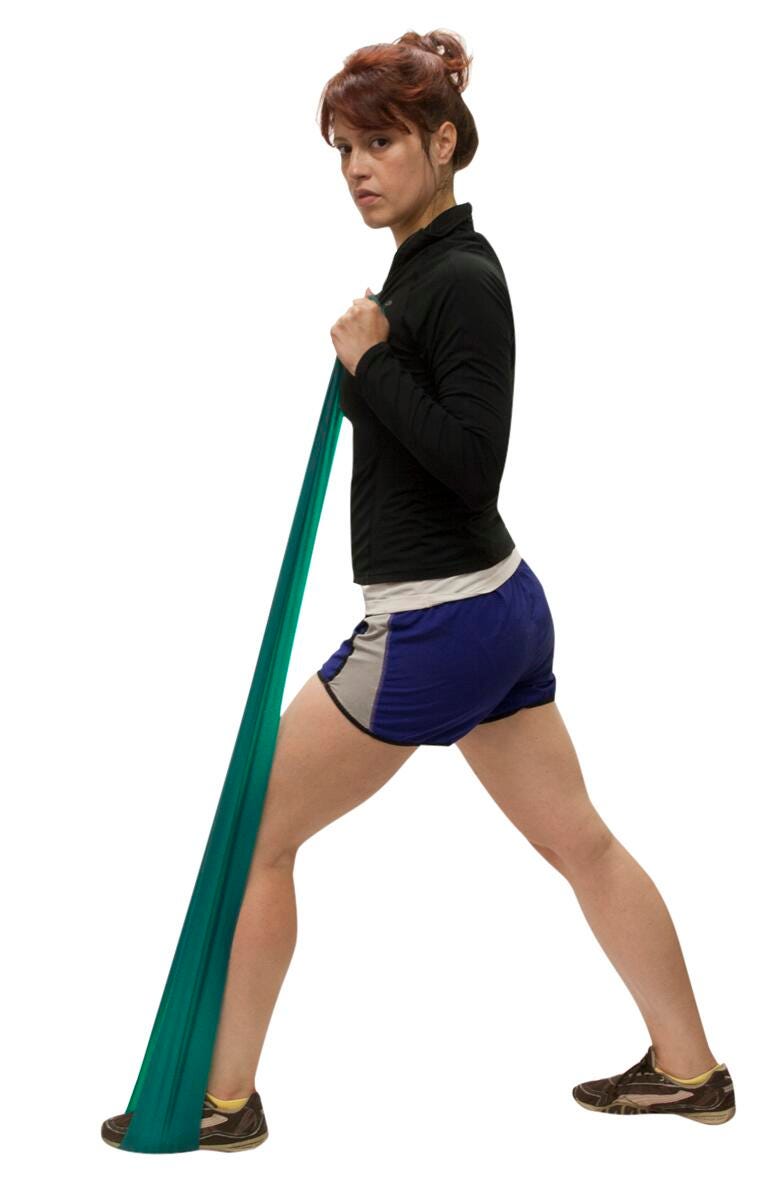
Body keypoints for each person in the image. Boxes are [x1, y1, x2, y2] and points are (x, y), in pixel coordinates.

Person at [101, 28, 734, 1152]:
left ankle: (224, 1100)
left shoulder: (460, 279)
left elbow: (470, 461)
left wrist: (370, 361)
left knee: (255, 838)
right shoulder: (419, 268)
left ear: (443, 144)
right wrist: (377, 355)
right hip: (493, 611)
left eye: (382, 143)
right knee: (580, 842)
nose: (357, 167)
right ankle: (691, 1071)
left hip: (437, 624)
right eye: (343, 148)